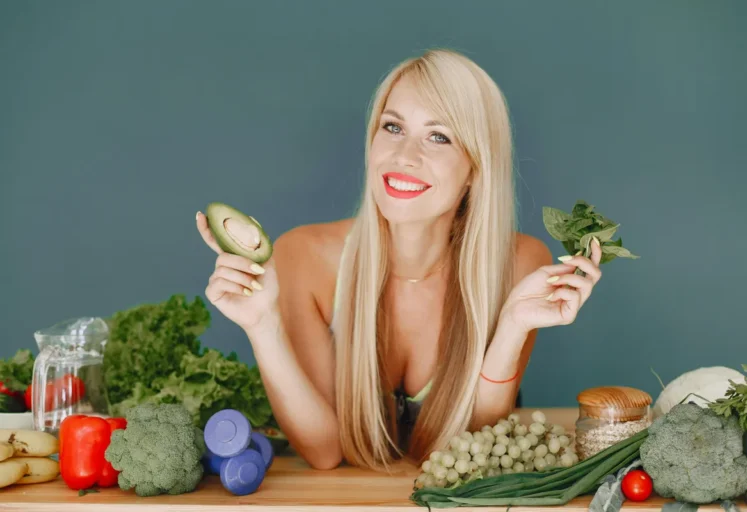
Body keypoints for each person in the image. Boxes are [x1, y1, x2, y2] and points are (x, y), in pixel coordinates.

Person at [195, 48, 603, 472]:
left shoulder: (519, 263)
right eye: (393, 127)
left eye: (438, 136)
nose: (405, 155)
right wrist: (263, 327)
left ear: (475, 170)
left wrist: (513, 327)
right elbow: (324, 451)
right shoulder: (304, 256)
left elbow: (466, 453)